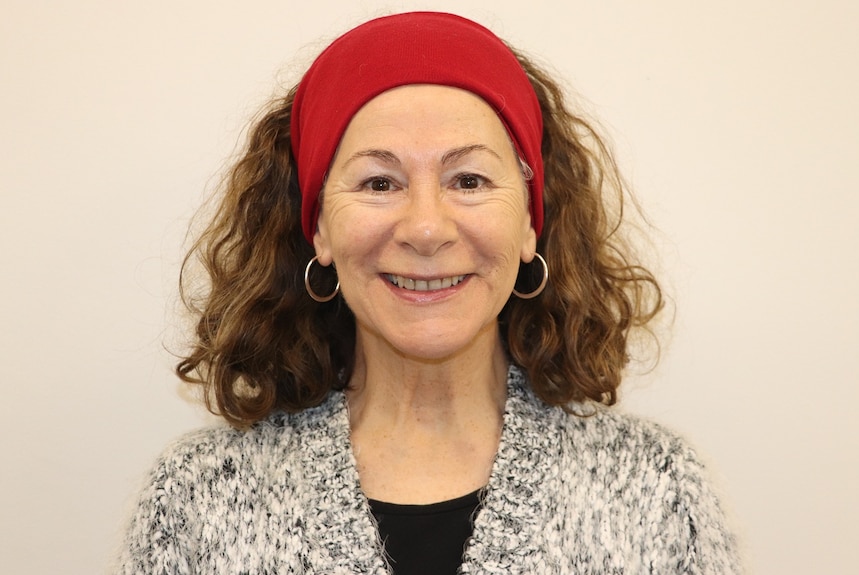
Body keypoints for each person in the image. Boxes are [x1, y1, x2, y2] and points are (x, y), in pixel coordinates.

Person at [116, 11, 742, 574]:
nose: (424, 228)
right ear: (318, 227)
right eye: (379, 183)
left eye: (468, 179)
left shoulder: (660, 495)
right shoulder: (195, 503)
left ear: (531, 222)